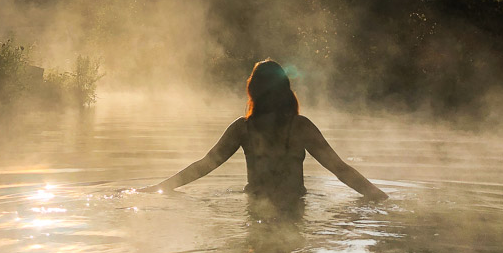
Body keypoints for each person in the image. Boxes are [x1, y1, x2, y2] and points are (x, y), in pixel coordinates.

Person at [141, 60, 388, 202]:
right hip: (295, 208)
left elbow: (205, 165)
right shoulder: (300, 127)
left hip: (256, 208)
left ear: (253, 90)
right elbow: (340, 169)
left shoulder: (243, 129)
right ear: (286, 89)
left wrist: (159, 188)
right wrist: (379, 197)